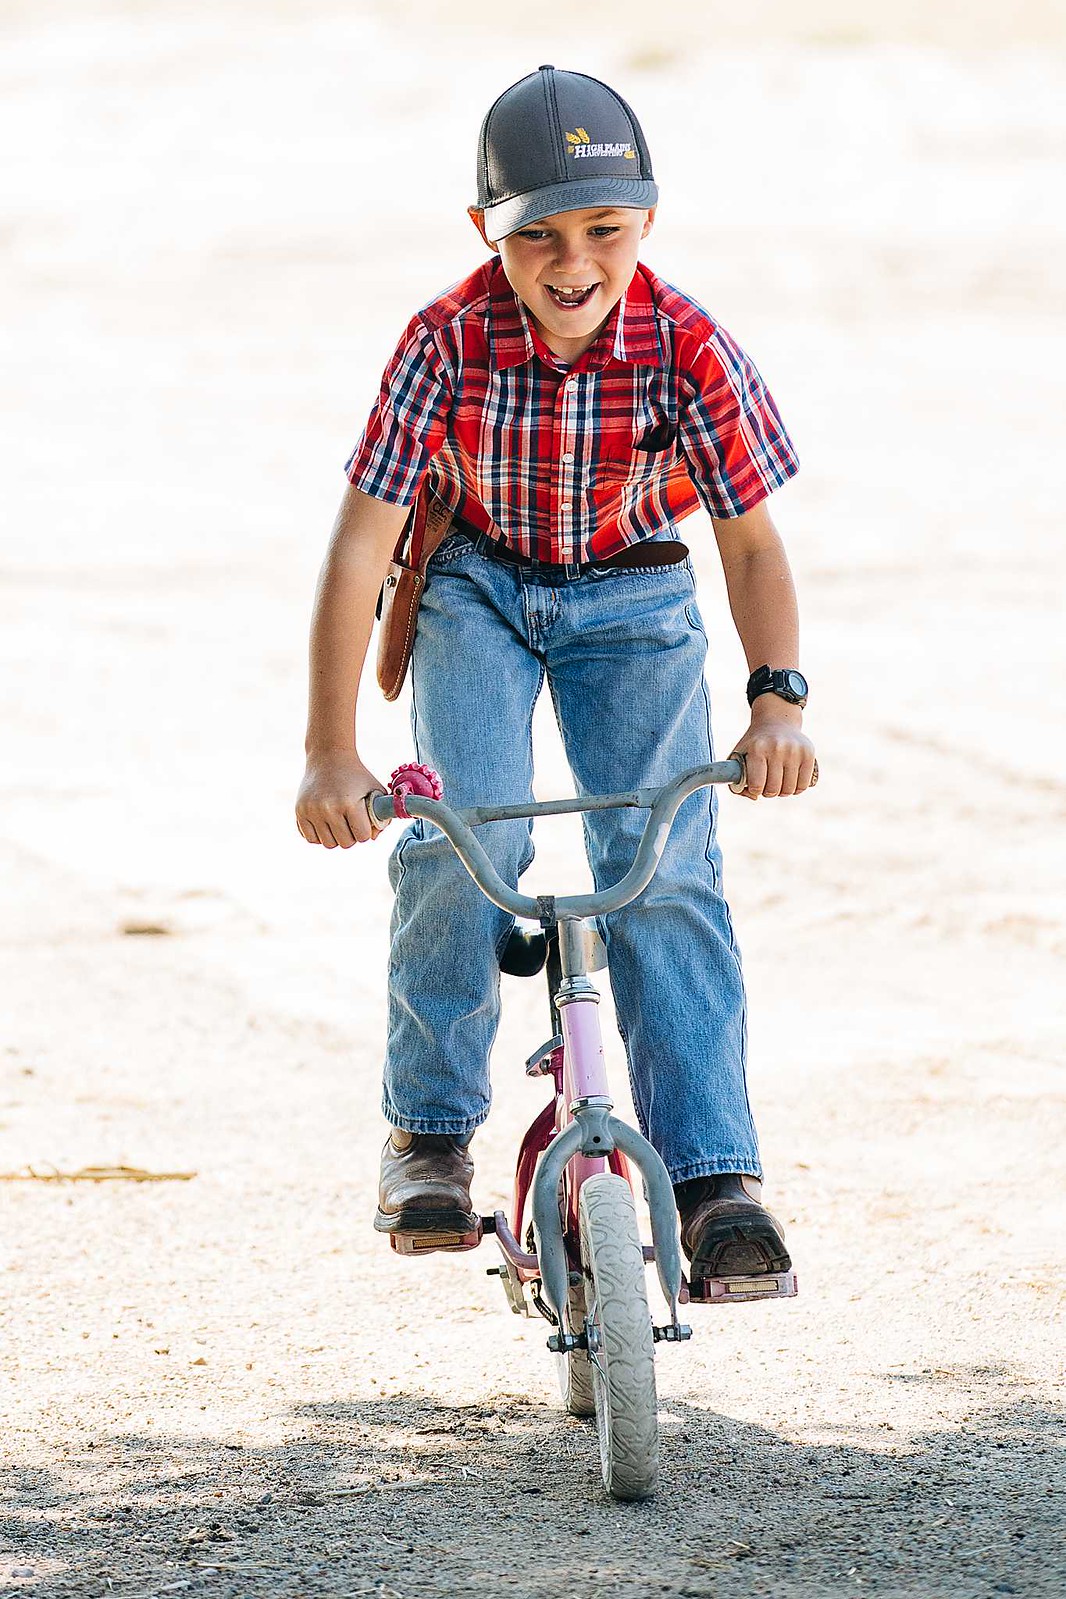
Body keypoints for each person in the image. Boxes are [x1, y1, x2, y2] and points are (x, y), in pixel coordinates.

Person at [295, 65, 817, 1281]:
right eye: (535, 234)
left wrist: (776, 696)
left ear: (647, 218)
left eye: (603, 229)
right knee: (458, 844)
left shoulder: (688, 344)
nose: (570, 261)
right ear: (486, 230)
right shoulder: (444, 338)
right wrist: (330, 748)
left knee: (664, 864)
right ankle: (427, 1135)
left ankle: (712, 1176)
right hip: (474, 583)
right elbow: (362, 540)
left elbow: (748, 541)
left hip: (634, 594)